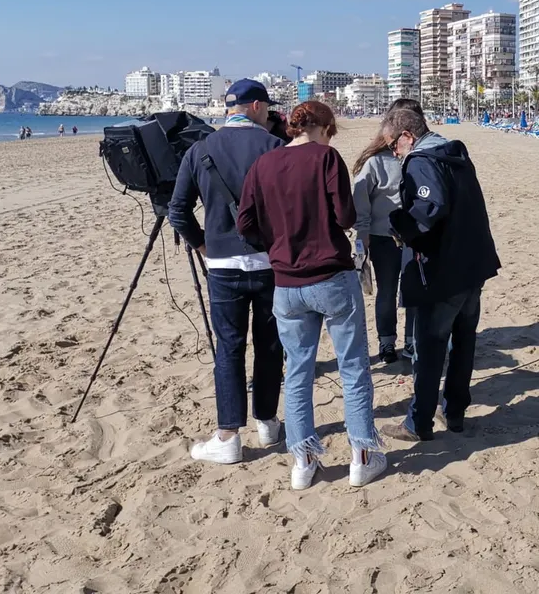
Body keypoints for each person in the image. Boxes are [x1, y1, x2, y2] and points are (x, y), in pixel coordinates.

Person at [237, 100, 387, 490]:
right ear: (322, 127)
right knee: (353, 367)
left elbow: (245, 223)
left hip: (287, 282)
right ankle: (361, 457)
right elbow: (345, 217)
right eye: (330, 131)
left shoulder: (263, 164)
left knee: (298, 372)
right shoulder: (325, 158)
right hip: (330, 274)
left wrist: (275, 244)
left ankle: (303, 462)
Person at [168, 79, 285, 465]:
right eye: (267, 108)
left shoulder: (200, 150)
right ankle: (267, 421)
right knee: (270, 345)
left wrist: (204, 245)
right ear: (256, 107)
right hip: (269, 262)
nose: (269, 114)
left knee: (229, 348)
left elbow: (177, 211)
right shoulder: (274, 147)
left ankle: (228, 435)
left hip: (222, 264)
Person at [379, 107, 501, 442]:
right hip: (472, 263)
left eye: (393, 145)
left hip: (443, 269)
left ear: (407, 136)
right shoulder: (454, 153)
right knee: (463, 341)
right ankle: (455, 411)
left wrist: (399, 225)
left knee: (430, 347)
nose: (394, 152)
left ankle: (419, 422)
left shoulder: (422, 160)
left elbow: (429, 208)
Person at [351, 98, 425, 364]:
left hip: (416, 237)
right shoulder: (376, 162)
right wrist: (362, 235)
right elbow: (360, 201)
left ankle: (412, 341)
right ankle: (386, 342)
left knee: (415, 291)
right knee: (387, 291)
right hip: (384, 238)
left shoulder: (423, 157)